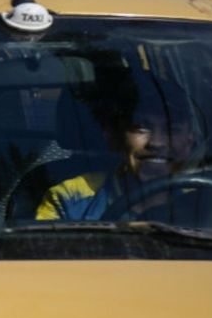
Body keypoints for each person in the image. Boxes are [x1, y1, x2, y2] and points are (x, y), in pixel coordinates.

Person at [36, 78, 203, 222]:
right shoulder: (69, 199)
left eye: (172, 130)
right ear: (114, 137)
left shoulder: (206, 202)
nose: (157, 143)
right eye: (142, 128)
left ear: (190, 141)